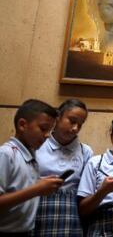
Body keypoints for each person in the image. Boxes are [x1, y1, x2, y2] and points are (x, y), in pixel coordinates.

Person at [30, 99, 93, 236]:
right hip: (37, 208)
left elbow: (87, 189)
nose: (75, 128)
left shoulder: (85, 151)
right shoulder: (38, 144)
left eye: (80, 125)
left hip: (71, 214)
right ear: (58, 117)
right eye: (72, 121)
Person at [0, 99, 63, 235]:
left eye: (50, 131)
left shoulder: (31, 155)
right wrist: (36, 189)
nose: (47, 135)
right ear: (22, 125)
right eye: (43, 128)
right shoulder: (6, 154)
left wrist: (41, 184)